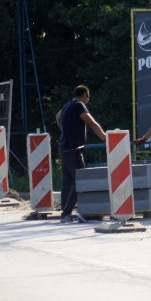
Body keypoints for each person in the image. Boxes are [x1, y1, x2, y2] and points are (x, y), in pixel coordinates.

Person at [56, 85, 107, 223]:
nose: (87, 101)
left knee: (67, 181)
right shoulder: (79, 105)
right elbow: (92, 123)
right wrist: (105, 138)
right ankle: (68, 213)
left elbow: (58, 116)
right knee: (80, 181)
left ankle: (64, 213)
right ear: (84, 95)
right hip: (74, 149)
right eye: (88, 97)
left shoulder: (67, 106)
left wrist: (65, 131)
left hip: (64, 148)